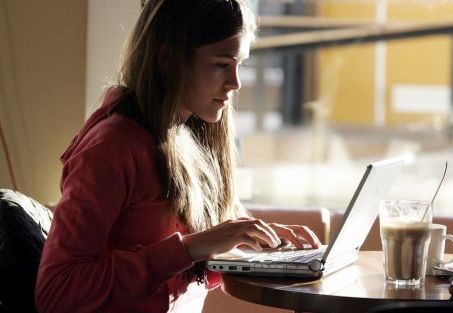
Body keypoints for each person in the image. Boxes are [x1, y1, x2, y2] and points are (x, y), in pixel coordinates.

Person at [35, 0, 321, 312]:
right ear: (169, 60)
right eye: (221, 65)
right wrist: (189, 249)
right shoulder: (111, 149)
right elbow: (56, 292)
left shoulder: (193, 135)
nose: (235, 83)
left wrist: (261, 239)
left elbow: (195, 260)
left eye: (240, 65)